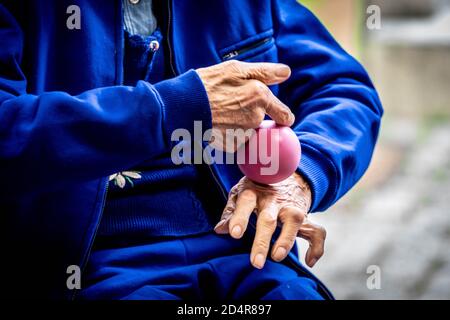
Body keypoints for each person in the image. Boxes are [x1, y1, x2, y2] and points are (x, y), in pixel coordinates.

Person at [0, 0, 382, 300]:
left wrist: (301, 175)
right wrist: (174, 107)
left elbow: (346, 91)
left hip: (247, 255)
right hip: (87, 270)